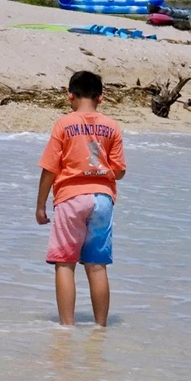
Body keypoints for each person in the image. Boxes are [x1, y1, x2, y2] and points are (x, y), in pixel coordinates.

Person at [36, 71, 127, 327]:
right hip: (102, 200)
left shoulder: (64, 124)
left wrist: (41, 205)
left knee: (65, 264)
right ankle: (100, 328)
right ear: (101, 97)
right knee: (97, 266)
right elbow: (119, 172)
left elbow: (50, 168)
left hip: (70, 198)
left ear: (70, 96)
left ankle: (66, 327)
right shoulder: (112, 126)